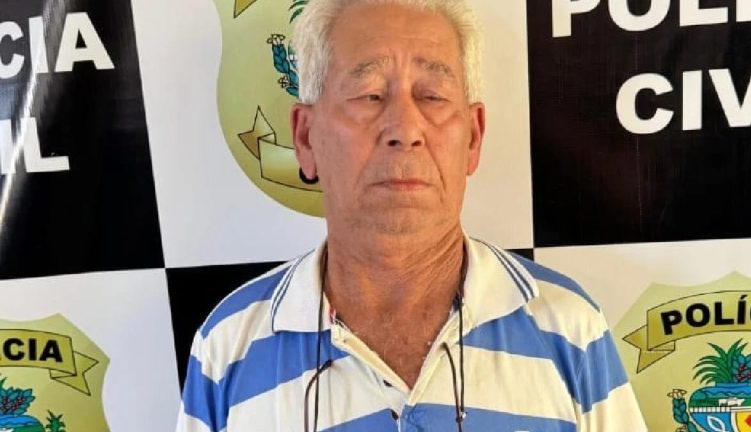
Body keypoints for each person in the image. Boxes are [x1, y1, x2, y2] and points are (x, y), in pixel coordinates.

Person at [176, 0, 648, 430]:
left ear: (473, 137)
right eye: (369, 94)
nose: (404, 128)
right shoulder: (228, 349)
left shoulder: (568, 329)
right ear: (305, 137)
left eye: (432, 95)